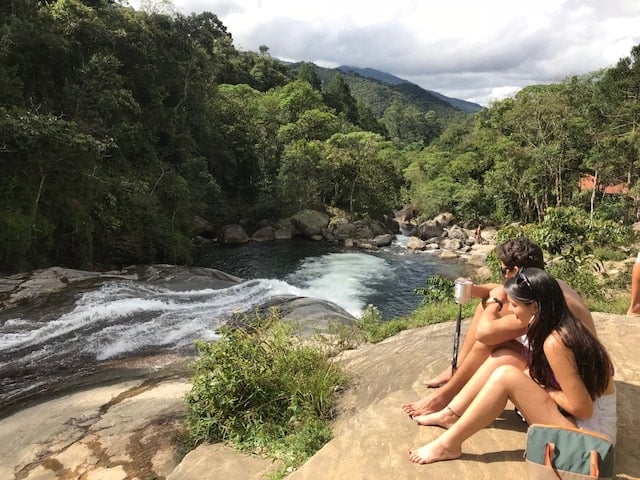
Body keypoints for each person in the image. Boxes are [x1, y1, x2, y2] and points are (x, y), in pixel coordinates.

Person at [408, 268, 616, 465]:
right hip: (579, 425)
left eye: (515, 305)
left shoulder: (556, 342)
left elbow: (583, 408)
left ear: (535, 307)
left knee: (507, 377)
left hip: (590, 442)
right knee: (507, 356)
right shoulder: (563, 323)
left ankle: (448, 445)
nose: (512, 311)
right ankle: (451, 415)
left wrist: (536, 383)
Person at [402, 238, 595, 417]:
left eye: (504, 271)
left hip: (571, 388)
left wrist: (494, 300)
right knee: (492, 317)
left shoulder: (539, 306)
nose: (502, 277)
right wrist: (478, 290)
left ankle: (446, 395)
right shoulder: (551, 287)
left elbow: (484, 334)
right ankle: (456, 373)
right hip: (577, 371)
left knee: (493, 339)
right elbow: (500, 288)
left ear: (516, 271)